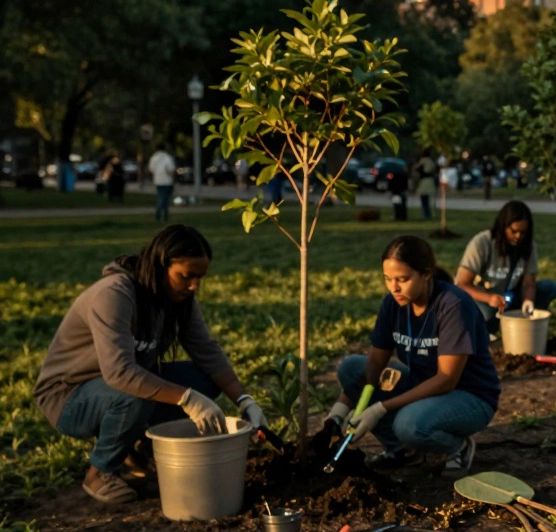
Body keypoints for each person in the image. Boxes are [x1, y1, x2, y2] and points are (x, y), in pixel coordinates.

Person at [33, 225, 267, 504]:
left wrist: (244, 400)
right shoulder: (113, 295)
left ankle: (135, 443)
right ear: (160, 265)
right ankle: (100, 472)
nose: (195, 286)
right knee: (135, 395)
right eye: (186, 276)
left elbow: (208, 353)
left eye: (200, 277)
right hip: (68, 397)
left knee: (203, 378)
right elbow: (120, 373)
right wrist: (186, 398)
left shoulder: (179, 299)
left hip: (115, 387)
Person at [321, 235, 500, 475]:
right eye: (388, 279)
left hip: (470, 395)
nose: (394, 287)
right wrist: (339, 412)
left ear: (426, 274)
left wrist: (379, 409)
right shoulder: (393, 304)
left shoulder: (453, 306)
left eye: (403, 279)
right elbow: (375, 363)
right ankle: (401, 452)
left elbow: (446, 379)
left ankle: (458, 447)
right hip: (424, 382)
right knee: (351, 367)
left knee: (409, 424)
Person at [454, 201, 556, 329]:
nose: (518, 236)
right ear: (503, 226)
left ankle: (521, 325)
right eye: (514, 231)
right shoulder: (482, 243)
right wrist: (489, 298)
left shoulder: (528, 246)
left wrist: (528, 301)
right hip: (484, 296)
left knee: (549, 288)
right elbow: (461, 284)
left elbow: (529, 283)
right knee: (486, 312)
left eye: (523, 232)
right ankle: (487, 331)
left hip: (511, 296)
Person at [148, 144, 177, 222]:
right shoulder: (167, 158)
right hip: (167, 181)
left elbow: (151, 169)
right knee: (164, 199)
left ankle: (165, 214)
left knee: (162, 197)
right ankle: (158, 213)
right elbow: (171, 169)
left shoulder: (153, 158)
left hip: (157, 180)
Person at [414, 152, 437, 219]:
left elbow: (418, 168)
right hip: (430, 181)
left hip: (424, 181)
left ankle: (427, 214)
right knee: (430, 200)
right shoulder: (431, 161)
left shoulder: (423, 161)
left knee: (424, 199)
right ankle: (430, 214)